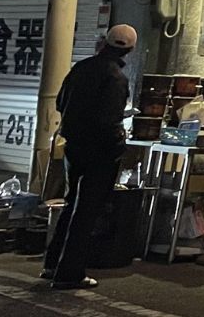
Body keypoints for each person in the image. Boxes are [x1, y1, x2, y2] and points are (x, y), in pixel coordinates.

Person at [42, 23, 137, 290]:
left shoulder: (81, 68)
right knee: (87, 212)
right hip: (100, 152)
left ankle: (52, 264)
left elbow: (60, 102)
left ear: (105, 41)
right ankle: (70, 273)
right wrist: (118, 144)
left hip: (74, 147)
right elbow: (109, 120)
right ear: (130, 49)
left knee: (71, 204)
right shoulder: (116, 78)